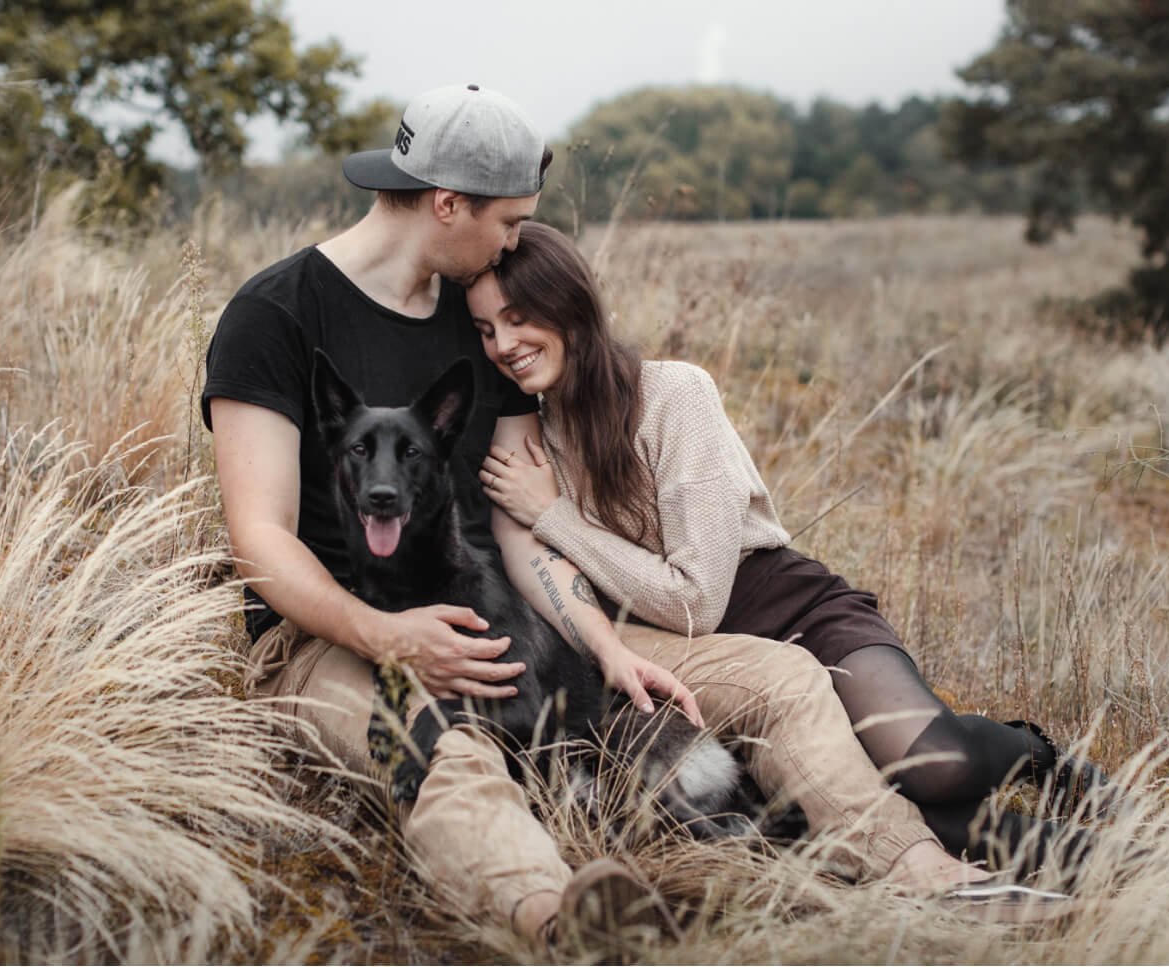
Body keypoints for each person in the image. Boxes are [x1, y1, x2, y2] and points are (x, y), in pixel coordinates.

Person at [204, 85, 1059, 950]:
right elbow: (260, 538)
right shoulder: (275, 315)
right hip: (331, 639)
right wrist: (385, 637)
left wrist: (605, 646)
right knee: (443, 747)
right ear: (447, 203)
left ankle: (928, 877)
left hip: (508, 619)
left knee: (779, 678)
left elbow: (514, 520)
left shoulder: (477, 325)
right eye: (508, 222)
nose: (514, 242)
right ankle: (562, 918)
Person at [473, 221, 1118, 873]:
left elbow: (696, 599)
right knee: (894, 807)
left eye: (518, 317)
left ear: (568, 303)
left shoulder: (673, 394)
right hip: (704, 661)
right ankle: (1094, 867)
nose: (504, 344)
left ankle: (1032, 752)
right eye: (485, 330)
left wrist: (556, 516)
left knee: (935, 764)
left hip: (784, 607)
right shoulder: (528, 439)